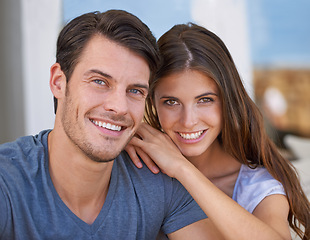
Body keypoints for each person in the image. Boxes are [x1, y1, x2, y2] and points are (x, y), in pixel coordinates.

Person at [0, 11, 210, 240]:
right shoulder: (8, 180)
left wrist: (182, 168)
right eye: (99, 82)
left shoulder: (158, 183)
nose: (119, 107)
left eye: (135, 91)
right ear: (59, 82)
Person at [127, 23, 310, 240]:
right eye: (171, 102)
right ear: (153, 102)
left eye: (205, 100)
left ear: (227, 100)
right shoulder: (139, 160)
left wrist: (182, 169)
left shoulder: (257, 185)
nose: (188, 121)